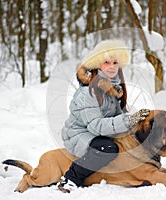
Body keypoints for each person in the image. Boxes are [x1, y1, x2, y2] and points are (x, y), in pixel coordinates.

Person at [57, 39, 150, 193]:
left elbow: (117, 116)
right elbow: (96, 126)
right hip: (79, 133)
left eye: (115, 63)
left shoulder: (114, 89)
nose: (112, 67)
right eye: (107, 62)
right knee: (107, 148)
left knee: (128, 142)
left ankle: (135, 173)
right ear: (98, 65)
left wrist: (135, 123)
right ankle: (71, 178)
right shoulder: (88, 92)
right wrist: (129, 120)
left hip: (97, 131)